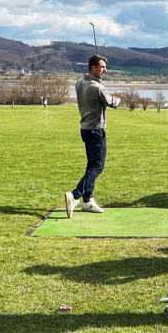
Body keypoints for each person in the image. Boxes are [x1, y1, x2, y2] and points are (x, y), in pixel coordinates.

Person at [64, 54, 120, 218]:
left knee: (91, 166)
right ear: (93, 67)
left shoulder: (79, 83)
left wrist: (99, 82)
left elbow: (91, 87)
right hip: (96, 130)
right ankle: (75, 196)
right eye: (102, 67)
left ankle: (87, 200)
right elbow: (112, 103)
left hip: (85, 129)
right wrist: (117, 99)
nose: (105, 70)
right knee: (97, 166)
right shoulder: (97, 87)